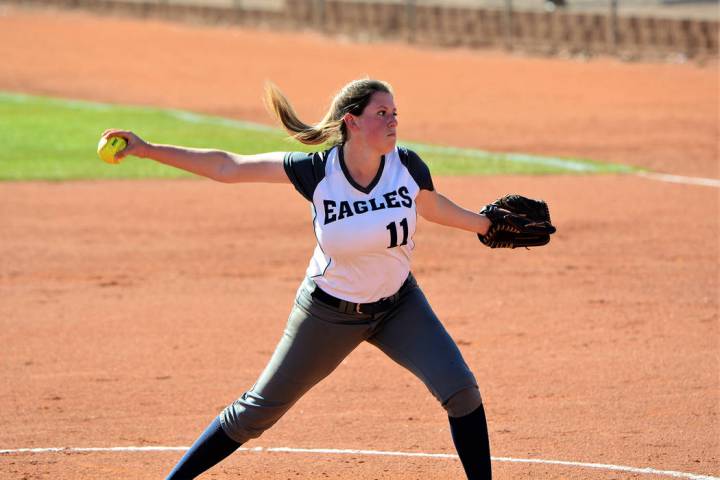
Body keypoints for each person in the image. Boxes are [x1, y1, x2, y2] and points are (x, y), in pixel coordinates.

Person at [102, 78, 494, 479]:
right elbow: (228, 166)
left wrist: (484, 225)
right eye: (381, 113)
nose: (393, 121)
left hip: (399, 305)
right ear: (352, 122)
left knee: (461, 391)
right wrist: (147, 150)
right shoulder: (318, 172)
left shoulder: (407, 165)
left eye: (395, 113)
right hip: (328, 314)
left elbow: (431, 207)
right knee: (256, 413)